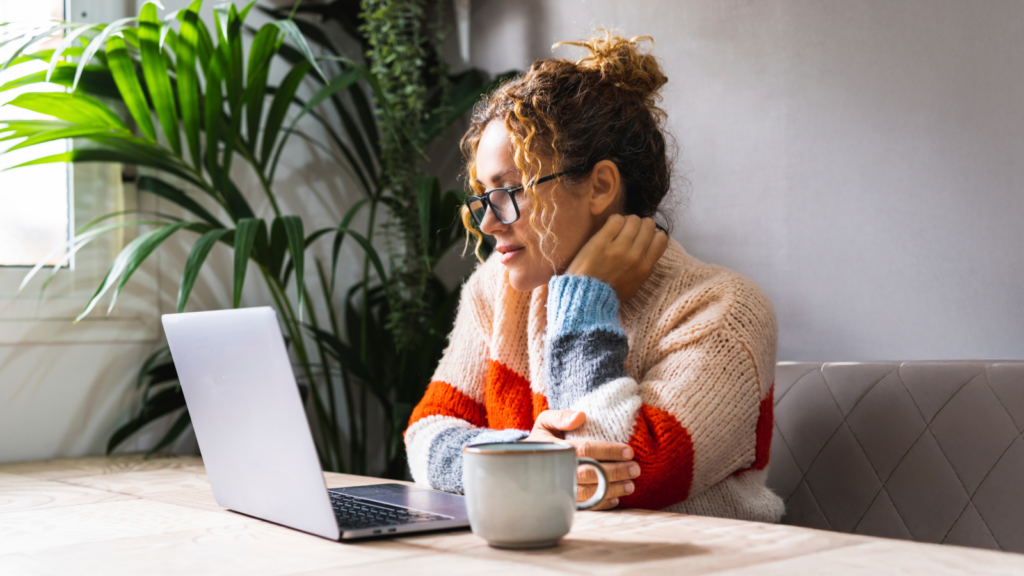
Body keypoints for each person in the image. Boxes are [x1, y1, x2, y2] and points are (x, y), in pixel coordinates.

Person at [404, 31, 783, 521]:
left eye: (511, 191)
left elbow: (610, 480)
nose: (488, 222)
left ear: (601, 186)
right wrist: (528, 453)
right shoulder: (494, 292)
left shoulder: (723, 309)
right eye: (483, 197)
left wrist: (584, 300)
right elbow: (425, 434)